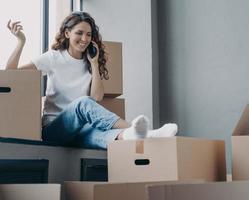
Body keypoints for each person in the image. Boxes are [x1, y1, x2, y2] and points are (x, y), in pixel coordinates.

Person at [5, 11, 177, 149]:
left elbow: (96, 98)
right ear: (67, 33)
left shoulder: (90, 61)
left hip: (81, 129)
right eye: (79, 33)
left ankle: (140, 135)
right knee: (82, 103)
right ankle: (139, 128)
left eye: (88, 34)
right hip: (54, 130)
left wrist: (94, 64)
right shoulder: (53, 58)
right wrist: (21, 41)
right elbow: (11, 74)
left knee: (103, 135)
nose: (85, 39)